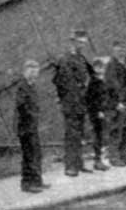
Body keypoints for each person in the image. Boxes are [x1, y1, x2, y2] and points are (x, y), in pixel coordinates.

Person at [52, 29, 93, 176]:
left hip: (80, 102)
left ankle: (79, 163)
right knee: (71, 135)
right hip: (70, 102)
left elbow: (89, 75)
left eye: (84, 43)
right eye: (80, 42)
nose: (82, 45)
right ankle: (70, 166)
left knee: (80, 134)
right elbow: (61, 81)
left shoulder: (81, 59)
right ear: (73, 42)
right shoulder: (65, 59)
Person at [15, 60, 50, 193]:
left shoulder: (31, 86)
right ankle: (27, 184)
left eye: (36, 71)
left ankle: (37, 181)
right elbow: (22, 106)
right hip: (25, 127)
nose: (34, 73)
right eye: (31, 70)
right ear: (25, 71)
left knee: (36, 154)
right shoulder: (22, 86)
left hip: (32, 126)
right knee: (29, 155)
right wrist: (33, 115)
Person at [104, 41, 126, 167]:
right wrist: (117, 103)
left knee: (125, 130)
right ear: (113, 52)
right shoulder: (111, 66)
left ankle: (123, 156)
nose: (120, 53)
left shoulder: (123, 65)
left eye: (122, 50)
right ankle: (114, 158)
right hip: (117, 104)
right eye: (118, 51)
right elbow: (111, 86)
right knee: (116, 131)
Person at [86, 57, 109, 171]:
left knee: (101, 136)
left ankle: (100, 159)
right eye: (99, 67)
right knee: (98, 136)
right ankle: (97, 160)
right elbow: (91, 99)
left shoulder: (101, 80)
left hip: (102, 112)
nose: (101, 69)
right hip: (96, 113)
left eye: (102, 67)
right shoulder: (93, 82)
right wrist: (98, 111)